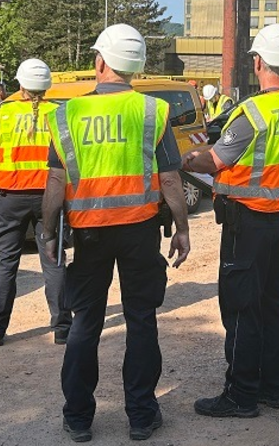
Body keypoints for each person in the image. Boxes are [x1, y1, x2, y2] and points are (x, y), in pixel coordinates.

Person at [41, 23, 191, 443]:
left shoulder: (67, 113)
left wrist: (50, 231)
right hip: (141, 231)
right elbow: (171, 181)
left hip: (88, 234)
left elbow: (55, 182)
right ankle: (142, 415)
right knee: (141, 319)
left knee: (86, 321)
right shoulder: (151, 111)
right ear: (136, 66)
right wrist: (181, 228)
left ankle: (78, 418)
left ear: (101, 61)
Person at [181, 23, 279, 418]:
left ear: (258, 62)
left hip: (247, 223)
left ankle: (241, 394)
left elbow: (217, 159)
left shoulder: (252, 112)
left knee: (241, 307)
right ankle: (275, 386)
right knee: (274, 305)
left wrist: (191, 159)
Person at [0, 59, 71, 347]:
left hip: (11, 197)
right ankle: (62, 327)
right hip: (49, 196)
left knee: (5, 263)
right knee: (53, 260)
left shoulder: (3, 113)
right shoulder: (58, 114)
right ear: (46, 86)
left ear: (20, 83)